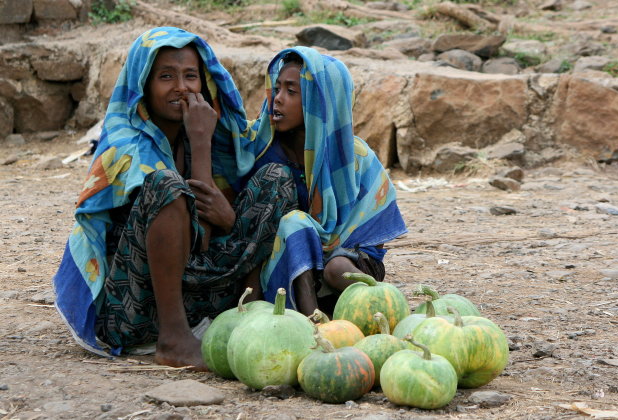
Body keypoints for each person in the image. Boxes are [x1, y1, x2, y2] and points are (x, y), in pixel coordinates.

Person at [52, 27, 295, 370]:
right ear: (144, 87)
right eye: (166, 76)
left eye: (191, 76)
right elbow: (202, 238)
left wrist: (230, 218)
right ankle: (173, 339)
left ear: (205, 84)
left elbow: (220, 231)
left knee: (275, 180)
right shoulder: (127, 147)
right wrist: (200, 144)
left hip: (204, 297)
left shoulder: (216, 134)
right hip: (134, 309)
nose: (181, 87)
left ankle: (249, 313)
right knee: (165, 184)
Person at [248, 47, 408, 316]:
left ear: (321, 102)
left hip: (344, 265)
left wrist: (332, 249)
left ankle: (379, 314)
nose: (277, 100)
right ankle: (314, 322)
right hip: (282, 262)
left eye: (291, 92)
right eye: (276, 89)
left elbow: (373, 237)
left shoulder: (355, 157)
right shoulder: (261, 147)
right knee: (294, 225)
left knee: (337, 269)